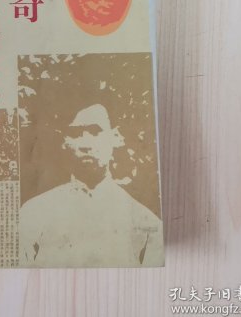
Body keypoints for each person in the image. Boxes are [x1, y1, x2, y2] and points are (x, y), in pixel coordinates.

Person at [19, 104, 164, 267]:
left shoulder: (146, 223)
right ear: (65, 143)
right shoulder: (34, 213)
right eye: (76, 134)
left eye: (95, 132)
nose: (85, 144)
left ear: (115, 137)